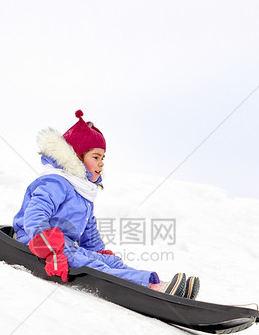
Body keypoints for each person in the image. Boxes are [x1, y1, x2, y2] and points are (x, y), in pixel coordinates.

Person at [12, 110, 199, 299]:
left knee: (110, 261)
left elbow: (88, 229)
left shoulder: (83, 191)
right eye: (95, 157)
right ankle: (148, 290)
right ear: (77, 157)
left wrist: (99, 250)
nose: (101, 164)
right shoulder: (55, 182)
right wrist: (51, 250)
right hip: (37, 243)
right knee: (93, 266)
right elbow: (34, 216)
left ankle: (155, 284)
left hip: (65, 246)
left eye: (103, 158)